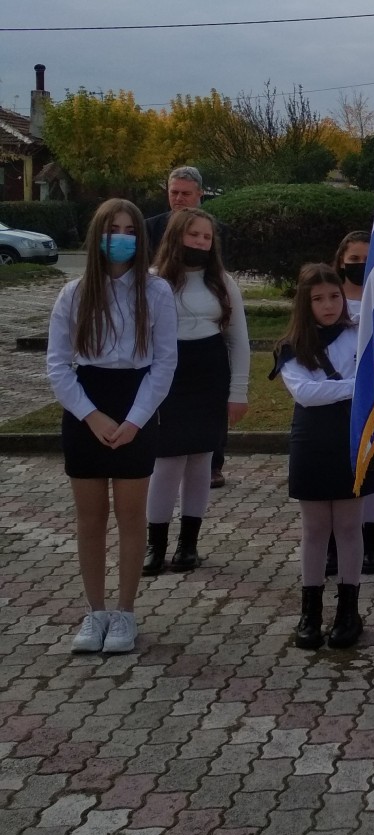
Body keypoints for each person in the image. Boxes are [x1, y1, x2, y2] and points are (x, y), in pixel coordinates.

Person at [46, 199, 178, 654]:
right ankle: (95, 611)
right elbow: (58, 365)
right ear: (96, 236)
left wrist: (135, 420)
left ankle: (125, 612)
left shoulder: (157, 292)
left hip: (136, 404)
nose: (120, 237)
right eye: (112, 229)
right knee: (90, 518)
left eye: (129, 230)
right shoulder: (74, 293)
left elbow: (165, 363)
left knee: (130, 515)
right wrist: (91, 415)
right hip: (86, 407)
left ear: (141, 238)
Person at [143, 209, 250, 576]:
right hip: (168, 378)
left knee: (201, 460)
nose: (201, 242)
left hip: (210, 375)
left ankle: (188, 546)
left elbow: (238, 340)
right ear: (176, 236)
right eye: (194, 235)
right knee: (167, 462)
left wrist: (238, 391)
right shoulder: (152, 281)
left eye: (207, 237)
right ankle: (155, 546)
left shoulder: (223, 282)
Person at [274, 263, 370, 650]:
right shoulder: (291, 345)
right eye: (318, 299)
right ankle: (310, 612)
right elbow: (306, 394)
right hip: (312, 438)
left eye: (334, 296)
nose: (329, 305)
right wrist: (360, 385)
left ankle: (349, 611)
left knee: (348, 526)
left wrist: (365, 310)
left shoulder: (357, 331)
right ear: (305, 303)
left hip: (352, 436)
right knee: (314, 528)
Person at [146, 166, 230, 490]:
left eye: (185, 193)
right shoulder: (150, 228)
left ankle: (213, 464)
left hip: (207, 349)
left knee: (210, 418)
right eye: (174, 192)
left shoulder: (216, 230)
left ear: (200, 195)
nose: (179, 198)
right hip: (167, 344)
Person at [334, 230, 374, 575]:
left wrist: (373, 321)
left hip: (373, 399)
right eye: (353, 259)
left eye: (367, 260)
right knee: (334, 471)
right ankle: (333, 545)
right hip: (331, 399)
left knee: (370, 471)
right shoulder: (328, 297)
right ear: (341, 261)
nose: (360, 265)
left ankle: (371, 544)